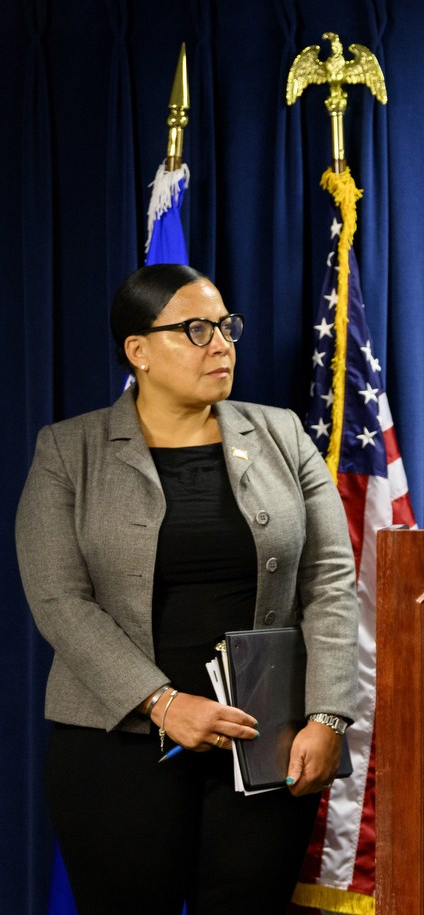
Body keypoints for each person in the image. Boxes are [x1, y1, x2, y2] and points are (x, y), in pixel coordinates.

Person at [16, 264, 359, 914]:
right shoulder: (68, 451)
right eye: (195, 330)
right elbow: (58, 597)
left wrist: (328, 715)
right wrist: (162, 702)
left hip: (268, 743)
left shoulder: (283, 434)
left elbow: (331, 581)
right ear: (137, 351)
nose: (221, 344)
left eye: (226, 326)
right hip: (115, 747)